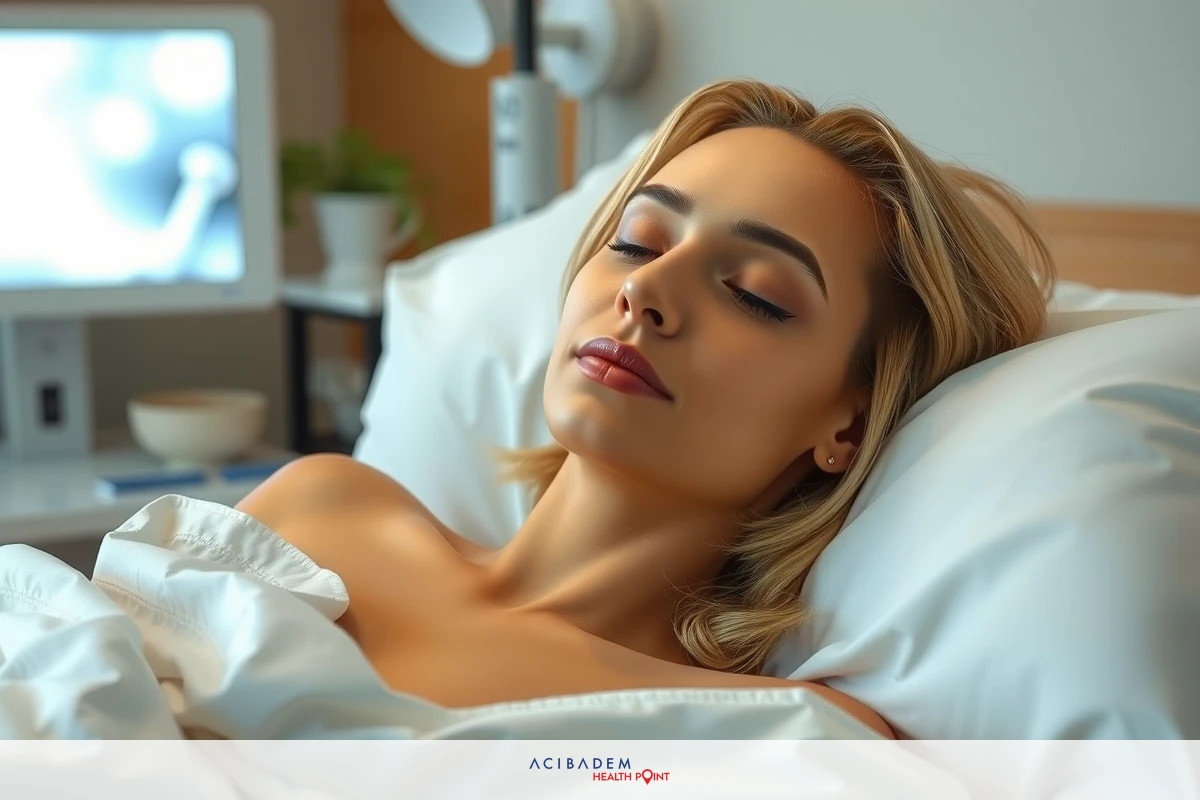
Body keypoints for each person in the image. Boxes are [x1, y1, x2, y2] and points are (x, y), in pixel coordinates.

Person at [238, 79, 1054, 739]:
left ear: (847, 423)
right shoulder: (321, 510)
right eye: (638, 241)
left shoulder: (770, 738)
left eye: (755, 295)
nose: (645, 291)